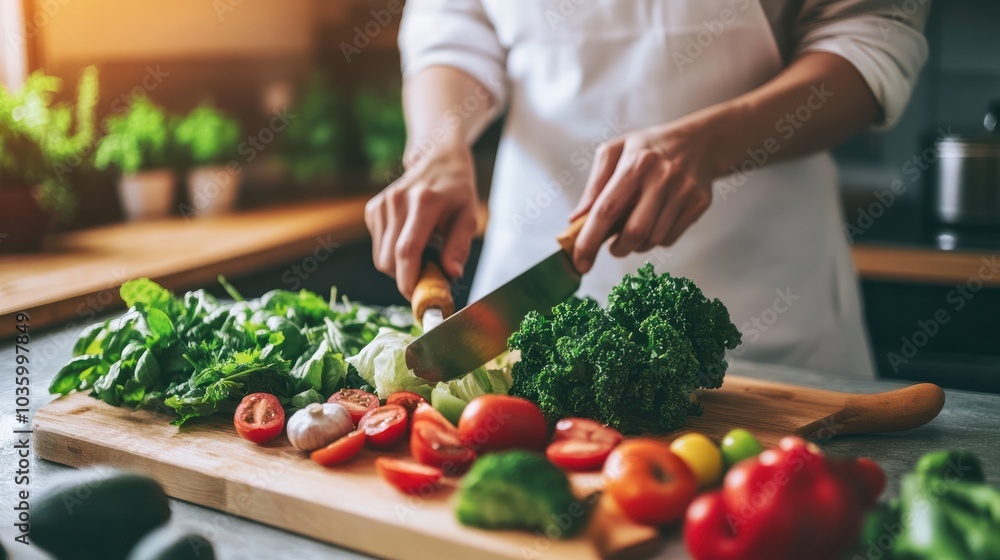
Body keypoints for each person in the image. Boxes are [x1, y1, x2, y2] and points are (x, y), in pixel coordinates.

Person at [365, 0, 929, 378]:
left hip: (769, 320)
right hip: (524, 301)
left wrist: (713, 144)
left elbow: (871, 36)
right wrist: (439, 150)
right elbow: (452, 29)